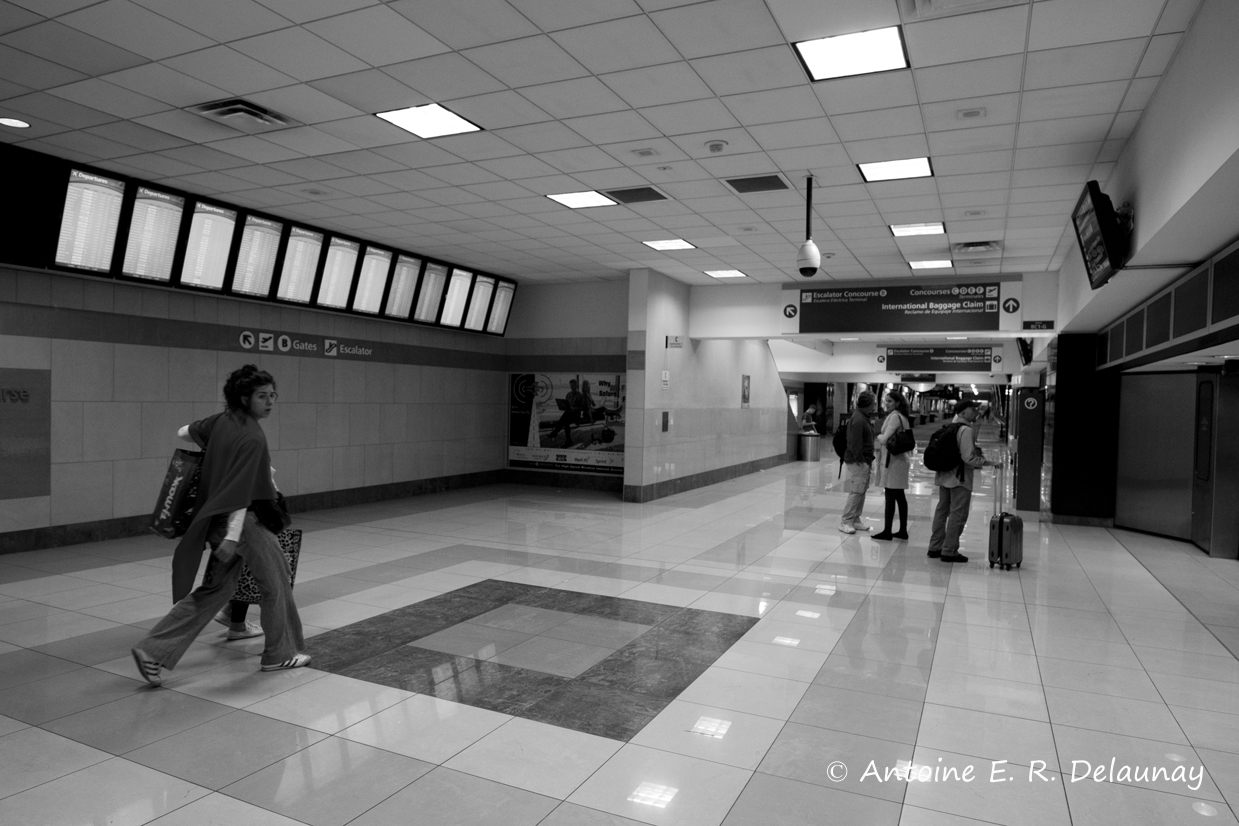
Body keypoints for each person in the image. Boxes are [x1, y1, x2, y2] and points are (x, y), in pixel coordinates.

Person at [131, 365, 309, 687]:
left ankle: (152, 651)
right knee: (276, 582)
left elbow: (184, 431)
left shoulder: (220, 422)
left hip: (211, 518)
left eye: (272, 396)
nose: (269, 402)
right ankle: (279, 653)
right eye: (261, 396)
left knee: (216, 589)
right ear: (245, 397)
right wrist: (232, 535)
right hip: (243, 523)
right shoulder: (253, 437)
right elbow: (241, 493)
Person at [927, 399, 1000, 563]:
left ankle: (935, 547)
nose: (976, 412)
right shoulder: (966, 430)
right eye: (973, 410)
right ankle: (949, 551)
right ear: (962, 413)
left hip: (944, 475)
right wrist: (988, 463)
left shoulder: (949, 428)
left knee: (942, 512)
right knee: (958, 515)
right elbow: (969, 458)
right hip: (959, 479)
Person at [872, 391, 913, 541]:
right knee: (899, 497)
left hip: (894, 462)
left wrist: (878, 435)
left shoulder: (895, 417)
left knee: (890, 496)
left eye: (889, 401)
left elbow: (884, 438)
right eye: (885, 401)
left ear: (897, 403)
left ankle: (887, 531)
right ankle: (902, 530)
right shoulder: (902, 416)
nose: (886, 403)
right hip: (899, 460)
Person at [839, 392, 877, 534]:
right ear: (869, 404)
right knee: (856, 491)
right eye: (874, 403)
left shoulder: (863, 417)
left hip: (864, 459)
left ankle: (855, 519)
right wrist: (860, 460)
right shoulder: (859, 419)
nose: (875, 406)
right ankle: (846, 521)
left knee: (861, 490)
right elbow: (855, 443)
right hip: (858, 460)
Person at [547, 379, 583, 447]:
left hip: (576, 414)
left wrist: (574, 408)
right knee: (566, 420)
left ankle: (555, 432)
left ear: (576, 385)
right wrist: (564, 407)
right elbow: (566, 404)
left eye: (573, 386)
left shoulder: (580, 395)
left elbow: (582, 408)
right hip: (569, 413)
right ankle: (568, 440)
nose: (572, 387)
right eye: (571, 386)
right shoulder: (568, 394)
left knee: (565, 418)